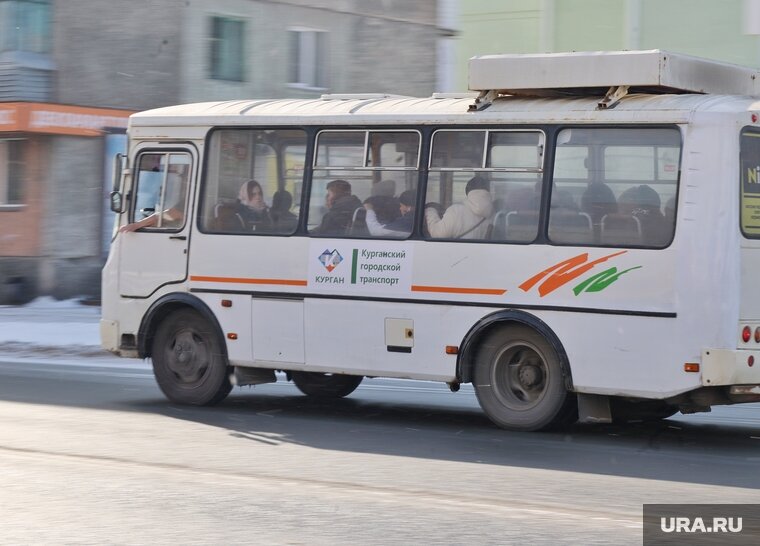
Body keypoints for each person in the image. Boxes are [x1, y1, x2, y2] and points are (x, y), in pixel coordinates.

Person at [425, 176, 493, 239]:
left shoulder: (456, 211)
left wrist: (430, 210)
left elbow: (437, 233)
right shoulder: (495, 214)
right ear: (488, 190)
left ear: (467, 191)